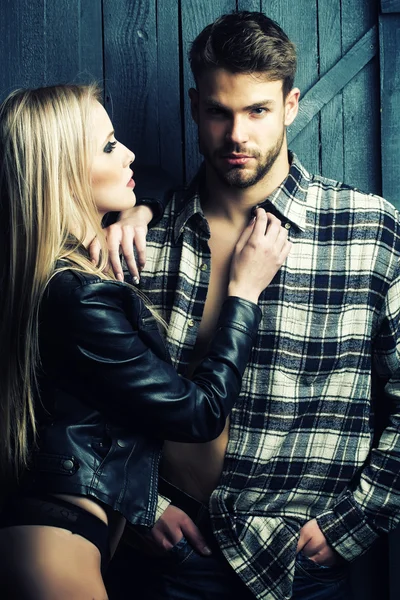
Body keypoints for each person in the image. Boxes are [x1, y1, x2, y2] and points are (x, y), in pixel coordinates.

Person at [103, 10, 400, 600]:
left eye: (258, 110)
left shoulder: (368, 231)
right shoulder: (142, 240)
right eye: (219, 111)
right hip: (168, 554)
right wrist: (137, 505)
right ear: (195, 107)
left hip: (297, 561)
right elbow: (87, 397)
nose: (237, 135)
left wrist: (353, 522)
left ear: (291, 105)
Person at [0, 83, 291, 600]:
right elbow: (197, 415)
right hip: (57, 545)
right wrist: (243, 294)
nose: (129, 152)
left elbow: (154, 176)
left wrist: (141, 211)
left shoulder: (55, 271)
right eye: (110, 145)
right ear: (64, 169)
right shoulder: (78, 298)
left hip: (64, 534)